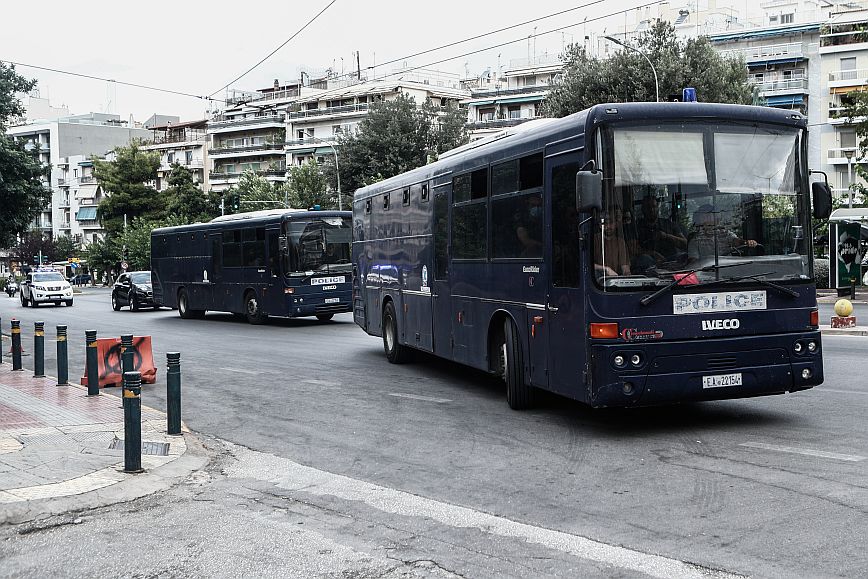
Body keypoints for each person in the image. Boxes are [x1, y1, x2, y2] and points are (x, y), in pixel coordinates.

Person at [688, 204, 758, 263]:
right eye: (704, 217)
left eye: (710, 216)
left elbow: (736, 241)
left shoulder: (725, 234)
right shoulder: (695, 241)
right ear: (699, 221)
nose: (707, 220)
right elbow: (694, 263)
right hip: (709, 273)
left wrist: (746, 242)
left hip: (729, 268)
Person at [636, 196, 687, 264]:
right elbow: (634, 250)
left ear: (658, 208)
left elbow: (685, 244)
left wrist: (666, 236)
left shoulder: (669, 224)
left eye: (654, 206)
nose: (651, 210)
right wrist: (652, 253)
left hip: (672, 261)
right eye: (648, 207)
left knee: (683, 256)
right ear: (643, 209)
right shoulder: (637, 227)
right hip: (648, 267)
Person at [594, 210, 631, 277]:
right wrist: (606, 269)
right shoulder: (594, 240)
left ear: (616, 224)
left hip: (616, 279)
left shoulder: (620, 242)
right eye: (605, 223)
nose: (608, 226)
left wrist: (627, 273)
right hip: (598, 281)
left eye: (611, 223)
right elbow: (588, 265)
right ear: (600, 225)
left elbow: (625, 266)